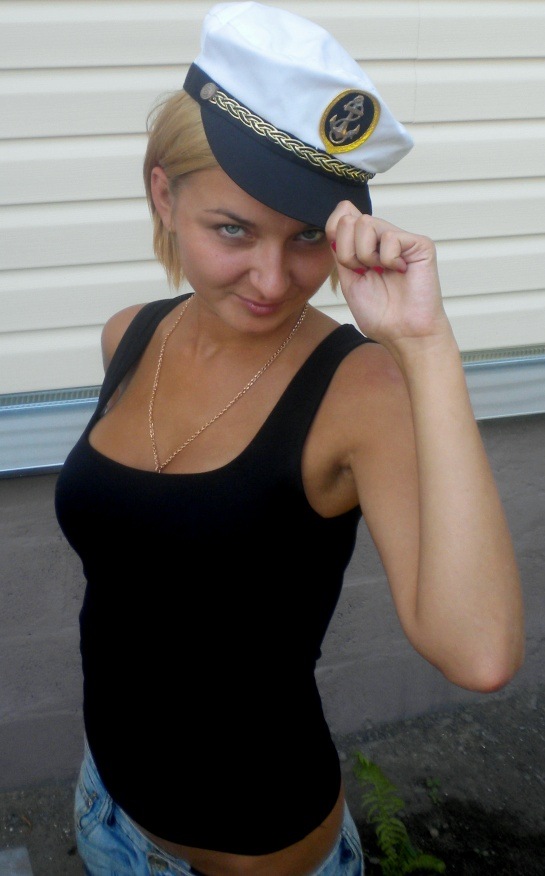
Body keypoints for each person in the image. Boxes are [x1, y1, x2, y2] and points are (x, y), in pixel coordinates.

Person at [54, 3, 524, 874]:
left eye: (308, 236)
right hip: (105, 809)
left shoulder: (361, 392)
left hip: (257, 852)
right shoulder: (131, 336)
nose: (272, 280)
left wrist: (424, 347)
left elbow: (479, 652)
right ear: (163, 194)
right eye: (232, 229)